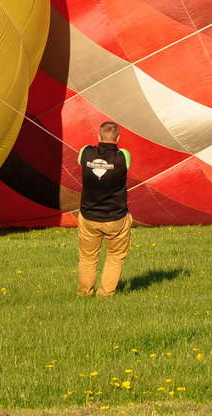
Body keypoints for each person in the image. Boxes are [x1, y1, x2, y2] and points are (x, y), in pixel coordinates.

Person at [76, 121, 132, 297]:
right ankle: (106, 294)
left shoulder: (85, 152)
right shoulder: (123, 156)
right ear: (119, 138)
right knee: (115, 256)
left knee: (87, 257)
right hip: (116, 217)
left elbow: (82, 156)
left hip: (89, 216)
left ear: (98, 136)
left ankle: (85, 292)